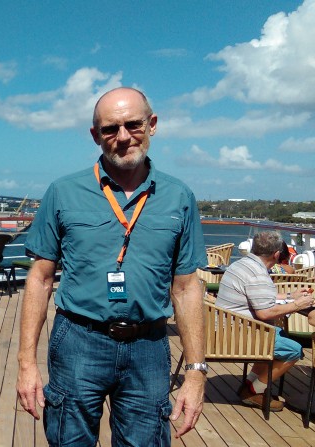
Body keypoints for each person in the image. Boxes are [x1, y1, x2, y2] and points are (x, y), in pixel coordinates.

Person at [17, 87, 208, 446]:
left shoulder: (179, 197)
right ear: (95, 135)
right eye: (110, 129)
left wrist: (196, 373)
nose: (122, 137)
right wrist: (26, 363)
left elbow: (186, 288)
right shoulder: (63, 192)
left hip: (149, 345)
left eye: (133, 124)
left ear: (152, 125)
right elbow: (40, 280)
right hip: (78, 340)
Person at [215, 231, 314, 410]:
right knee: (293, 350)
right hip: (237, 334)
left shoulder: (243, 265)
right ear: (276, 254)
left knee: (278, 334)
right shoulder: (257, 274)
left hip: (228, 328)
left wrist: (290, 296)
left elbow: (259, 296)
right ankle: (254, 391)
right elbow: (265, 313)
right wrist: (298, 305)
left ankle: (250, 385)